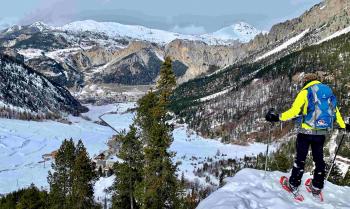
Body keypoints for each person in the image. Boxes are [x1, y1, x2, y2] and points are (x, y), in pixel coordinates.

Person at [265, 73, 350, 196]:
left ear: (306, 81)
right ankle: (316, 187)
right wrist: (344, 126)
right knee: (319, 160)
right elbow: (335, 112)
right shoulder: (328, 93)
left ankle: (293, 184)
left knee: (300, 159)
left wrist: (277, 117)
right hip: (321, 133)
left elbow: (293, 112)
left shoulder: (305, 92)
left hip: (305, 132)